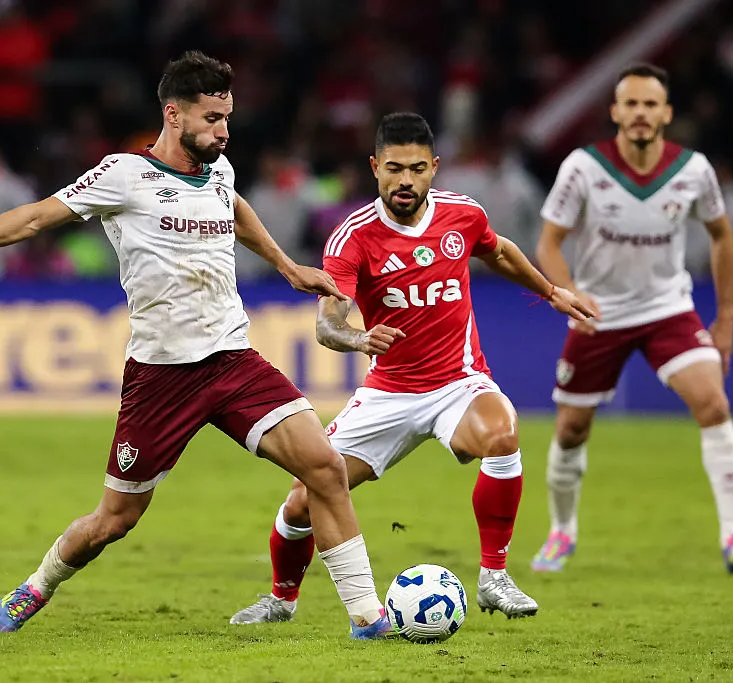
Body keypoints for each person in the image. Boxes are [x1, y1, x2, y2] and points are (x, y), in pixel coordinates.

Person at [0, 51, 392, 639]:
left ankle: (368, 618)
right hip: (161, 377)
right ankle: (37, 586)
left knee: (325, 467)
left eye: (227, 118)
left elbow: (235, 210)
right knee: (115, 519)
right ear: (174, 114)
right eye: (213, 118)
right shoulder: (123, 175)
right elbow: (38, 217)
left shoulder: (220, 171)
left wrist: (289, 267)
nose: (224, 130)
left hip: (233, 359)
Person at [229, 113, 594, 626]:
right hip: (388, 394)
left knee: (502, 435)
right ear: (375, 168)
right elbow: (327, 326)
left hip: (456, 383)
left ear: (434, 169)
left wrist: (551, 291)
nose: (406, 181)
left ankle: (494, 577)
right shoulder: (352, 237)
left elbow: (500, 251)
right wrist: (360, 338)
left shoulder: (462, 215)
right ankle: (281, 600)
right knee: (302, 503)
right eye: (395, 169)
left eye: (418, 169)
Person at [530, 64, 733, 574]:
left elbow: (723, 236)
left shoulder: (694, 170)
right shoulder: (583, 167)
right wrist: (568, 294)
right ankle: (560, 533)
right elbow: (548, 240)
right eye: (630, 104)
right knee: (570, 430)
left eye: (650, 104)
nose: (640, 113)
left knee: (713, 403)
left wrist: (725, 319)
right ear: (615, 112)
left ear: (666, 113)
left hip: (668, 309)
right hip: (599, 313)